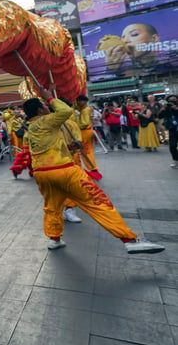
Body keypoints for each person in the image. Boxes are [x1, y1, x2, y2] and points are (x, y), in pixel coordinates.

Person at [23, 86, 164, 254]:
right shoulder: (46, 120)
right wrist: (49, 97)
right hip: (64, 171)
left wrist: (69, 147)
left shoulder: (30, 129)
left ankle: (54, 238)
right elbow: (66, 111)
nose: (48, 108)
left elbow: (45, 150)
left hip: (42, 174)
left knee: (52, 207)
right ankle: (129, 239)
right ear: (40, 109)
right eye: (45, 106)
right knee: (97, 202)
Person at [73, 96, 102, 181]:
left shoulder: (85, 110)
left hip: (84, 131)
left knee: (85, 151)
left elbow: (84, 123)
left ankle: (92, 168)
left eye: (78, 101)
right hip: (86, 131)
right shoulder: (85, 109)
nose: (77, 103)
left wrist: (75, 125)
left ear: (83, 101)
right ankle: (93, 167)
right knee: (87, 150)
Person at [159, 95, 178, 167]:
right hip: (172, 128)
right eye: (170, 100)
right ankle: (176, 159)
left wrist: (176, 109)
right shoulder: (167, 108)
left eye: (174, 100)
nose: (172, 102)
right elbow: (160, 116)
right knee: (172, 146)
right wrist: (164, 107)